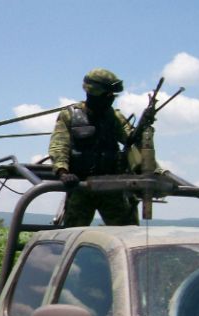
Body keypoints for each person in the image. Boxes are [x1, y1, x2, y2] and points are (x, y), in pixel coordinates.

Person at [49, 68, 139, 226]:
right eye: (107, 95)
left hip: (112, 186)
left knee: (127, 230)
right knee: (72, 233)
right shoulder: (69, 115)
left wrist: (143, 130)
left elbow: (131, 139)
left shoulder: (114, 117)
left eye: (112, 96)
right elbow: (59, 145)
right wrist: (63, 172)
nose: (110, 99)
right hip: (81, 186)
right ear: (94, 93)